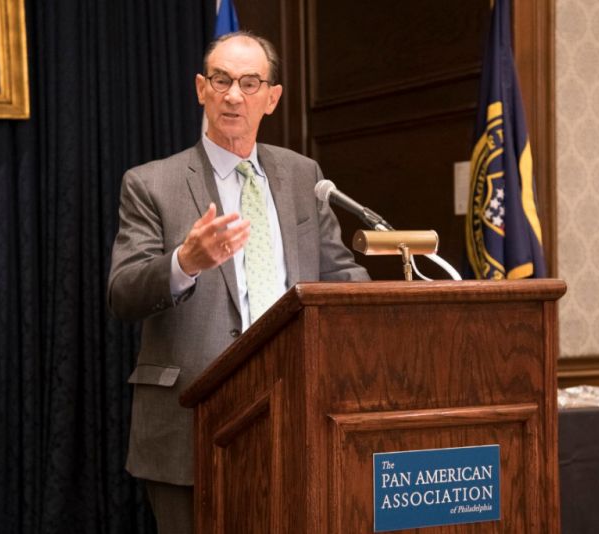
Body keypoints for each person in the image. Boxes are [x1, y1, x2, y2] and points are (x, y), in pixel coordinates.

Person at [107, 31, 368, 533]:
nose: (233, 95)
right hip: (190, 420)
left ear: (272, 98)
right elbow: (123, 293)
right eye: (222, 80)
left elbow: (339, 274)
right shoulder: (151, 183)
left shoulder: (303, 176)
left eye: (250, 83)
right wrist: (184, 262)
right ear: (200, 88)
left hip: (296, 410)